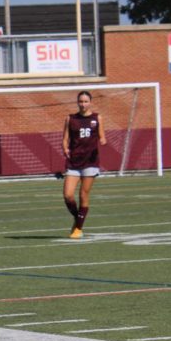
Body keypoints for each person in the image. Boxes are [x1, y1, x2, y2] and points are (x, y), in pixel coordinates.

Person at [61, 90, 106, 239]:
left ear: (90, 102)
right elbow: (65, 139)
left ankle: (78, 228)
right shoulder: (70, 118)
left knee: (83, 195)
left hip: (90, 162)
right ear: (77, 102)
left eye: (86, 101)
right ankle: (78, 217)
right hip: (74, 162)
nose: (83, 104)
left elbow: (102, 137)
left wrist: (103, 141)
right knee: (68, 195)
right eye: (81, 101)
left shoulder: (97, 117)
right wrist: (65, 148)